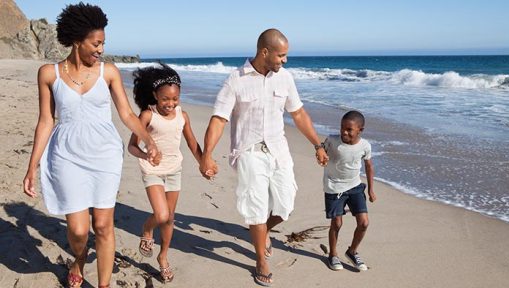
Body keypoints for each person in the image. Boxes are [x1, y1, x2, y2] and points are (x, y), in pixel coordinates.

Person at [22, 3, 158, 287]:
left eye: (103, 43)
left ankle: (103, 284)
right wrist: (32, 166)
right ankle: (80, 257)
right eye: (96, 43)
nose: (100, 49)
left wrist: (148, 141)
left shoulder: (108, 72)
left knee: (103, 225)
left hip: (105, 154)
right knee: (79, 230)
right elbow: (46, 121)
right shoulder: (49, 74)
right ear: (76, 40)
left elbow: (126, 114)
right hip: (66, 156)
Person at [200, 28, 328, 286]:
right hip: (249, 152)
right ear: (264, 52)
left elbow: (299, 114)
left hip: (279, 150)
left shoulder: (286, 78)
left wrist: (317, 144)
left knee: (285, 205)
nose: (285, 60)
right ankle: (261, 258)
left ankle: (262, 232)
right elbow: (218, 120)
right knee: (256, 208)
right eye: (281, 55)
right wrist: (207, 155)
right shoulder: (235, 80)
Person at [127, 63, 205, 283]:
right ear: (155, 95)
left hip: (174, 170)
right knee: (161, 216)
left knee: (169, 219)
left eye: (175, 99)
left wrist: (203, 163)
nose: (170, 104)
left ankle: (163, 257)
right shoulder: (147, 116)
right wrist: (145, 156)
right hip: (152, 170)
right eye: (165, 99)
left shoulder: (183, 115)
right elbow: (132, 146)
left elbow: (191, 143)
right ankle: (147, 229)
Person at [323, 110, 376, 272]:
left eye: (349, 129)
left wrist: (371, 190)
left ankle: (352, 251)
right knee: (337, 223)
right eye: (342, 128)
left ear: (360, 130)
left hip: (355, 187)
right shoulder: (332, 140)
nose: (344, 132)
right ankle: (332, 255)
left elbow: (368, 166)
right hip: (334, 187)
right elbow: (321, 151)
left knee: (364, 223)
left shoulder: (365, 145)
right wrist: (320, 155)